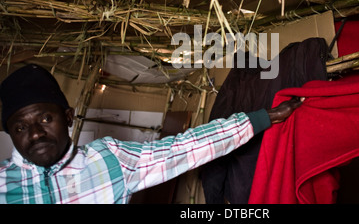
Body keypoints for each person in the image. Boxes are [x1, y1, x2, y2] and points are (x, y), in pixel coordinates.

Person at [0, 63, 302, 204]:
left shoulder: (109, 161)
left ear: (67, 117)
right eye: (21, 127)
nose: (36, 134)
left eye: (45, 118)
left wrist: (264, 117)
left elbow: (185, 148)